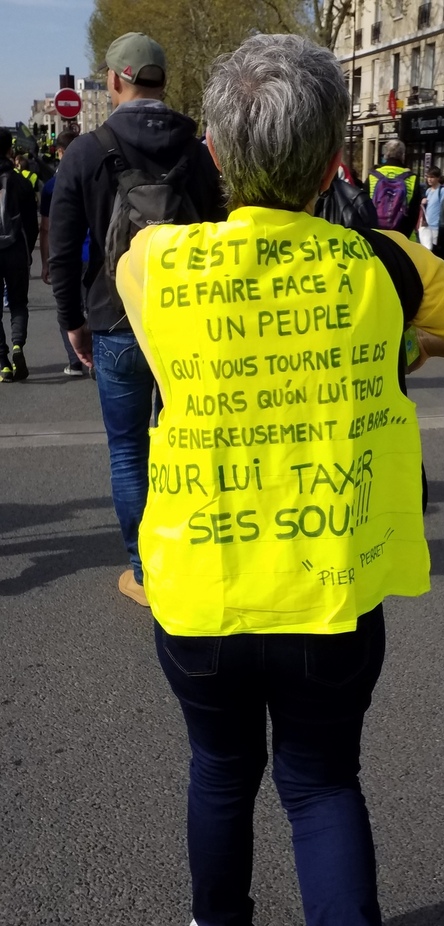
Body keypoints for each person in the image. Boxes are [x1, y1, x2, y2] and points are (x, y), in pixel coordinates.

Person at [116, 34, 444, 926]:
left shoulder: (154, 265)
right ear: (328, 166)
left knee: (220, 767)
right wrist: (420, 334)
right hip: (330, 587)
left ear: (220, 156)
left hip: (200, 588)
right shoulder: (385, 266)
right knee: (321, 783)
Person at [49, 31, 225, 606]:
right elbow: (222, 228)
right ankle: (197, 553)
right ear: (163, 81)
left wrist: (73, 322)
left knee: (128, 451)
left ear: (116, 79)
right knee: (187, 444)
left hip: (115, 318)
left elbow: (62, 248)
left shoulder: (85, 151)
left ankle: (146, 572)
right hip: (188, 324)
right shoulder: (197, 148)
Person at [40, 131, 89, 377]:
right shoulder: (92, 175)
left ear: (59, 152)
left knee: (69, 307)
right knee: (92, 305)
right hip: (94, 253)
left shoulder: (51, 186)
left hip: (67, 255)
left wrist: (45, 262)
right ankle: (96, 356)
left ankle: (75, 360)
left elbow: (46, 227)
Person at [0, 128, 39, 383]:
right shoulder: (22, 182)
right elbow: (32, 224)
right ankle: (17, 346)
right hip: (15, 251)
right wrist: (28, 251)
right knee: (18, 304)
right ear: (10, 150)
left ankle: (2, 362)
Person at [367, 139, 420, 236]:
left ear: (385, 154)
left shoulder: (372, 177)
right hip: (403, 237)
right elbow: (414, 213)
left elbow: (365, 209)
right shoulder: (412, 178)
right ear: (403, 155)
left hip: (376, 235)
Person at [419, 164, 444, 252]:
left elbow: (443, 209)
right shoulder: (428, 191)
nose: (429, 179)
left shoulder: (442, 191)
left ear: (438, 178)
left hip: (436, 227)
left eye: (432, 177)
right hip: (426, 226)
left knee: (434, 252)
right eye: (428, 177)